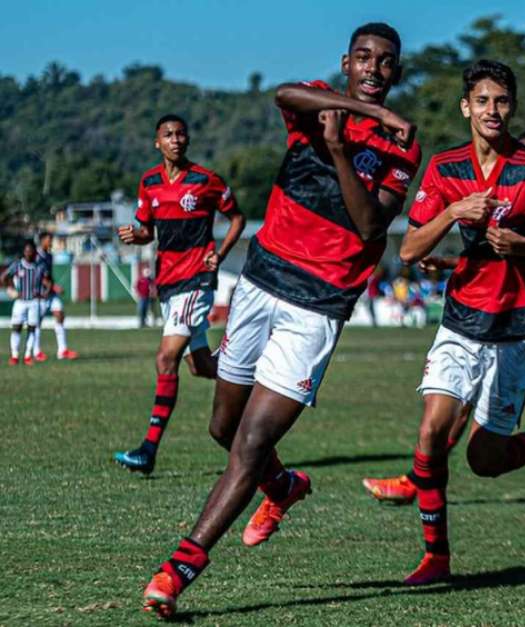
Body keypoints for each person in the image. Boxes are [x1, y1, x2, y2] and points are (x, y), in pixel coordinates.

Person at [140, 23, 420, 618]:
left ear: (398, 72)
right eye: (364, 58)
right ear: (347, 63)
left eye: (386, 62)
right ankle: (284, 487)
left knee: (251, 441)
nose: (374, 68)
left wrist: (343, 150)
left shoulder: (402, 146)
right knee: (221, 428)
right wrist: (345, 113)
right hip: (260, 285)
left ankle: (180, 567)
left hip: (317, 307)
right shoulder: (318, 99)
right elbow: (286, 94)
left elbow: (372, 226)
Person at [396, 60, 525, 586]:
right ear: (466, 107)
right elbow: (410, 249)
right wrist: (451, 213)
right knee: (430, 434)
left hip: (519, 326)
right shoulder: (444, 168)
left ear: (511, 107)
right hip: (462, 320)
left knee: (485, 460)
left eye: (501, 101)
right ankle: (436, 556)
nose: (492, 110)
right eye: (482, 101)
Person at [362, 127, 525, 506]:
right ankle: (418, 484)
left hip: (522, 322)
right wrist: (453, 262)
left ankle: (422, 478)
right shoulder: (502, 195)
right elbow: (492, 259)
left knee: (482, 448)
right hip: (478, 319)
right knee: (448, 412)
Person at [113, 114, 245, 474]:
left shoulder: (206, 180)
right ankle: (255, 381)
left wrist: (220, 253)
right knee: (201, 366)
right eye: (168, 135)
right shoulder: (149, 183)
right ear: (157, 142)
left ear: (187, 140)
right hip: (168, 284)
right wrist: (134, 235)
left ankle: (148, 450)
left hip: (196, 280)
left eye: (180, 134)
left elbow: (237, 218)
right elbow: (146, 231)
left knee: (165, 358)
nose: (175, 139)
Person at [4, 241, 51, 365]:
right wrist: (11, 290)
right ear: (24, 252)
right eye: (26, 251)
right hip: (20, 301)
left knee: (32, 328)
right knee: (16, 327)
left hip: (34, 302)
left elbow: (47, 280)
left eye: (31, 251)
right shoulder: (17, 265)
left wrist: (45, 293)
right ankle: (14, 355)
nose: (28, 253)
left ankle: (27, 355)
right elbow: (4, 277)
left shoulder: (40, 266)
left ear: (34, 252)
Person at [33, 232, 78, 361]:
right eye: (49, 240)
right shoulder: (35, 256)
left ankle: (62, 350)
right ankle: (36, 352)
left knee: (59, 314)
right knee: (36, 323)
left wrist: (52, 287)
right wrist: (53, 287)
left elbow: (47, 275)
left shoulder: (49, 256)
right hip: (39, 294)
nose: (51, 242)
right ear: (42, 241)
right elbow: (37, 276)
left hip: (50, 294)